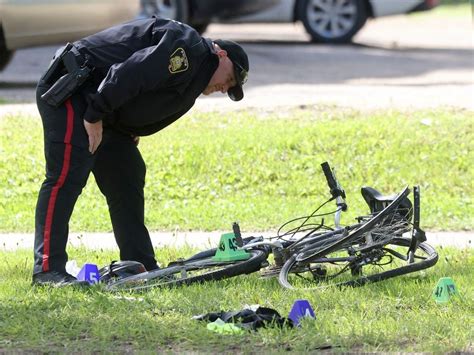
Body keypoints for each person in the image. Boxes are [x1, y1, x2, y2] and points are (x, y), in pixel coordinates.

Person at [32, 17, 249, 286]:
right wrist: (94, 114)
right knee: (67, 175)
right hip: (75, 89)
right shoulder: (188, 49)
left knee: (127, 174)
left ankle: (138, 266)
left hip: (105, 108)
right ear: (221, 52)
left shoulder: (196, 78)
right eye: (231, 77)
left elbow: (146, 98)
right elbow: (131, 73)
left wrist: (127, 127)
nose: (226, 87)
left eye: (231, 88)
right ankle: (47, 270)